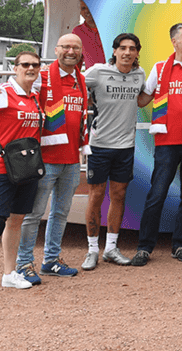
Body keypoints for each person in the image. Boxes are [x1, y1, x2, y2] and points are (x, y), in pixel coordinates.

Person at [131, 23, 182, 266]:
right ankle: (145, 247)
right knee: (157, 194)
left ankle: (179, 245)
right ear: (174, 41)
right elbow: (143, 99)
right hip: (166, 142)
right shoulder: (159, 68)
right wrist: (124, 81)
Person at [17, 34, 89, 284]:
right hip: (45, 159)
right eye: (66, 46)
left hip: (71, 159)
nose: (71, 51)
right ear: (56, 49)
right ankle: (23, 263)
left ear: (80, 52)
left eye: (75, 47)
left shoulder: (81, 79)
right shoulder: (42, 77)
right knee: (33, 214)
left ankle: (51, 260)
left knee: (61, 213)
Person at [81, 33, 146, 271]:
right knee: (96, 196)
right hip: (99, 146)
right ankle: (91, 250)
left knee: (118, 196)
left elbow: (140, 100)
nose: (127, 52)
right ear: (115, 51)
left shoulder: (139, 75)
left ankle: (111, 248)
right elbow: (77, 87)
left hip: (125, 147)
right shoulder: (97, 72)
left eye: (132, 48)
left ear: (138, 52)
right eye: (123, 48)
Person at [0, 52, 44, 289]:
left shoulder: (35, 97)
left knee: (16, 220)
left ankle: (9, 274)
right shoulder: (4, 93)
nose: (30, 68)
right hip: (2, 169)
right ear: (15, 68)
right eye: (25, 64)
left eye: (35, 65)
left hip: (26, 170)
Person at [73, 0, 105, 69]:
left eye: (90, 7)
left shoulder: (111, 27)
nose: (87, 11)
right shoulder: (77, 31)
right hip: (91, 77)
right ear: (80, 12)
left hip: (114, 74)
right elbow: (76, 58)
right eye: (83, 8)